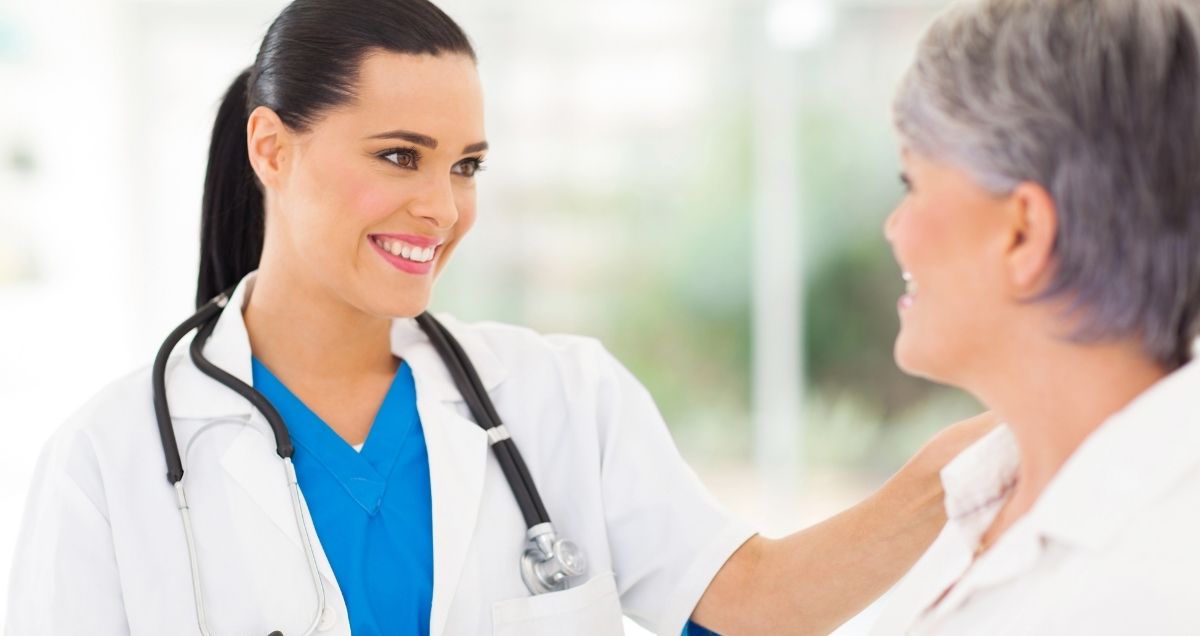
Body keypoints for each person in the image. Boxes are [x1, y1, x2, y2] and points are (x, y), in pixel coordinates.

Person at [5, 1, 993, 634]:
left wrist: (975, 460)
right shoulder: (113, 462)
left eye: (465, 164)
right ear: (272, 149)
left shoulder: (562, 397)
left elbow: (756, 603)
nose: (442, 208)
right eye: (400, 156)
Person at [869, 0, 1200, 633]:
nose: (895, 229)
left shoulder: (1167, 580)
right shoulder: (987, 501)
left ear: (1024, 232)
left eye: (911, 183)